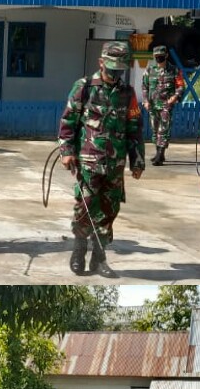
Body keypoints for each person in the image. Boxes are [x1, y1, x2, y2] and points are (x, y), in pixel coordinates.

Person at [58, 41, 145, 278]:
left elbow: (134, 128)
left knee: (109, 211)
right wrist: (66, 152)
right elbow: (68, 122)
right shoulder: (84, 87)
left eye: (119, 69)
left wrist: (137, 160)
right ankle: (78, 252)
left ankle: (99, 258)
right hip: (88, 162)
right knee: (84, 208)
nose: (115, 73)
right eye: (111, 68)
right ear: (101, 63)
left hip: (115, 165)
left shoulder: (128, 93)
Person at [141, 44, 185, 166]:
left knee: (163, 130)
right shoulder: (150, 70)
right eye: (156, 56)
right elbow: (145, 86)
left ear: (166, 55)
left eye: (161, 56)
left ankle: (160, 155)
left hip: (166, 105)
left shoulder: (174, 70)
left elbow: (180, 86)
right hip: (152, 105)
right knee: (155, 130)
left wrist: (175, 97)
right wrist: (145, 101)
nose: (158, 58)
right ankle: (159, 152)